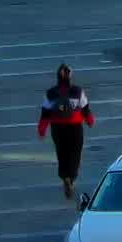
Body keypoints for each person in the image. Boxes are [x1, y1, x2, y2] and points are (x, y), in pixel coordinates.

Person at [37, 63, 94, 199]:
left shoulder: (50, 93)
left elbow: (45, 113)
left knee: (62, 153)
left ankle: (64, 177)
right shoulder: (78, 91)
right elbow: (85, 108)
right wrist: (90, 121)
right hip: (74, 127)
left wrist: (41, 130)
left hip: (57, 128)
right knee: (75, 153)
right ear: (70, 77)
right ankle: (72, 178)